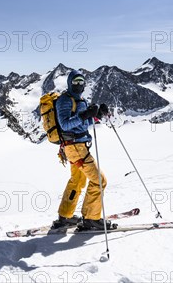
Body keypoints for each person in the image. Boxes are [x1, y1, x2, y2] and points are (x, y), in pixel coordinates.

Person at [53, 70, 111, 230]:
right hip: (75, 147)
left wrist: (97, 114)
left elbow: (82, 123)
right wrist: (85, 115)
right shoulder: (65, 100)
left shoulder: (79, 100)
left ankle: (65, 216)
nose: (78, 85)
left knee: (77, 181)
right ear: (70, 83)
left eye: (81, 82)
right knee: (99, 180)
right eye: (75, 82)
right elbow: (65, 124)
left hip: (76, 146)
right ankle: (91, 219)